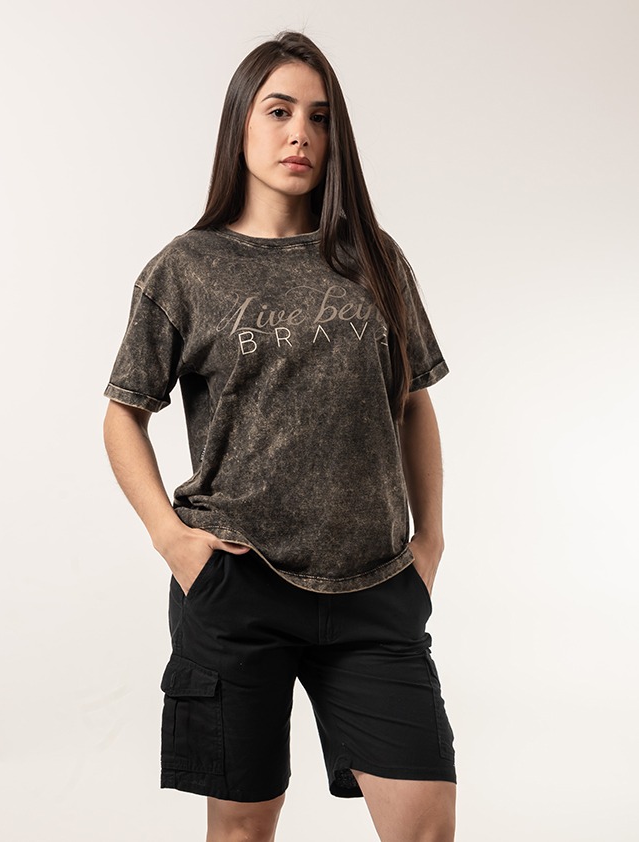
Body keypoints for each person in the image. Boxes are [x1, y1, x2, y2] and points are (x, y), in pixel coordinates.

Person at [103, 30, 456, 842]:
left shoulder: (374, 260)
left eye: (320, 117)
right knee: (241, 832)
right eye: (279, 111)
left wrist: (430, 541)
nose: (301, 133)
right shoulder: (185, 269)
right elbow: (124, 412)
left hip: (375, 590)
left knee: (426, 826)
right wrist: (171, 539)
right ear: (241, 125)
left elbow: (412, 404)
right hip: (236, 586)